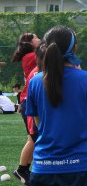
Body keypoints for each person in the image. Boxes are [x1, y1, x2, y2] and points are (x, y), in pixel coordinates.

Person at [24, 26, 87, 186]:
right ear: (74, 48)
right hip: (79, 167)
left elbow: (38, 124)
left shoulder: (35, 81)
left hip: (43, 166)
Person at [11, 32, 41, 184]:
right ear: (29, 43)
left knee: (33, 138)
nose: (39, 38)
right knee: (35, 138)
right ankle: (23, 169)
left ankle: (23, 169)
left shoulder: (31, 55)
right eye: (35, 37)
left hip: (30, 100)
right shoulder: (31, 56)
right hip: (29, 100)